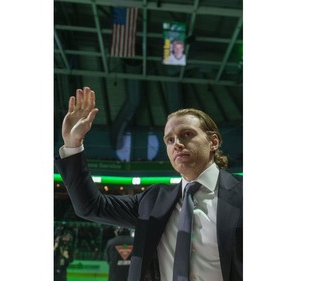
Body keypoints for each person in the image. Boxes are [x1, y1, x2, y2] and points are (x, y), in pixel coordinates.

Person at [54, 86, 242, 281]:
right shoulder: (152, 201)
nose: (176, 143)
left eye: (187, 134)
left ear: (213, 142)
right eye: (169, 140)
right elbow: (90, 206)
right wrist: (72, 144)